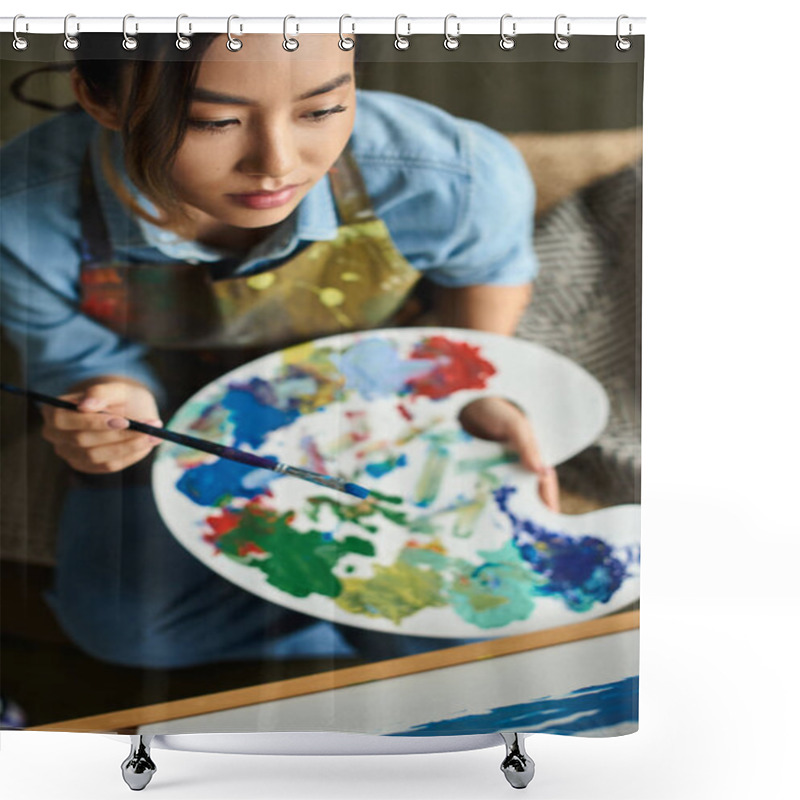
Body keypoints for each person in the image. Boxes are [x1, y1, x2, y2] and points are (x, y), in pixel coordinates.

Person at [0, 33, 559, 669]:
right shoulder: (22, 214)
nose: (278, 162)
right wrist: (112, 402)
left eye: (321, 111)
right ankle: (339, 639)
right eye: (212, 121)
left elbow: (475, 328)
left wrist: (478, 400)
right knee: (124, 628)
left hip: (381, 398)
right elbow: (76, 362)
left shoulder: (451, 174)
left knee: (463, 620)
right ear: (100, 99)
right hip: (183, 426)